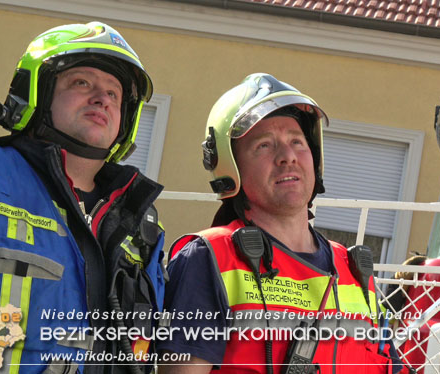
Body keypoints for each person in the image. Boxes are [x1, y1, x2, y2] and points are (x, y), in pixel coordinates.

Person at [0, 22, 166, 373]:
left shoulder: (142, 227)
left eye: (114, 94)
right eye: (82, 82)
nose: (101, 98)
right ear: (37, 93)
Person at [158, 73, 398, 374]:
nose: (287, 157)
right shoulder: (209, 257)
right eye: (264, 146)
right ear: (231, 166)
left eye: (297, 142)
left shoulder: (354, 270)